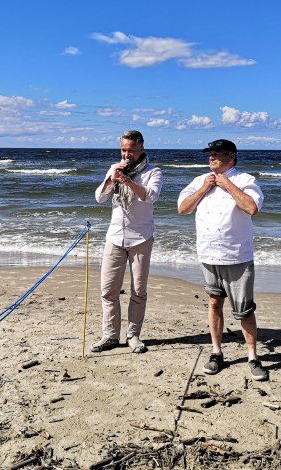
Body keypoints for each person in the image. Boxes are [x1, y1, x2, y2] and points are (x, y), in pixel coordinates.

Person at [177, 139, 268, 381]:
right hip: (208, 254)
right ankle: (217, 352)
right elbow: (182, 208)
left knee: (244, 310)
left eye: (216, 154)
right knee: (214, 304)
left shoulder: (246, 180)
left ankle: (253, 357)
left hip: (237, 256)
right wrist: (203, 189)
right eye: (210, 154)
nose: (211, 158)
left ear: (231, 157)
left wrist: (227, 185)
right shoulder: (200, 180)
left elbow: (252, 208)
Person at [92, 130, 162, 354]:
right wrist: (112, 180)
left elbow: (150, 196)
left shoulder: (153, 172)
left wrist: (128, 181)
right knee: (108, 290)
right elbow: (99, 197)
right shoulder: (115, 168)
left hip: (141, 237)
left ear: (141, 148)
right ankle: (110, 335)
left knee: (138, 290)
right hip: (114, 236)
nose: (126, 154)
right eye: (123, 150)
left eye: (131, 150)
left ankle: (133, 335)